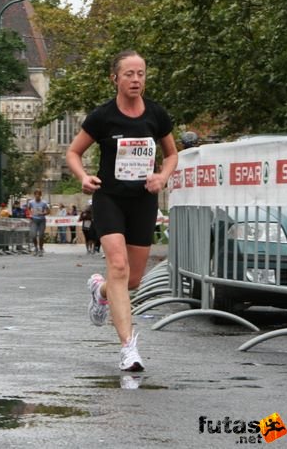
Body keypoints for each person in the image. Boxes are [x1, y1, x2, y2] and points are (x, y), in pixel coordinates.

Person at [66, 49, 177, 372]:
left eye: (141, 73)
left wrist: (162, 177)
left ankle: (99, 290)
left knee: (132, 279)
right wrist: (84, 177)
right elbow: (74, 152)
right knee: (118, 265)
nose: (136, 79)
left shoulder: (156, 114)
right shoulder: (103, 116)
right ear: (115, 78)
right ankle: (129, 348)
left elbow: (171, 155)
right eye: (129, 74)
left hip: (143, 200)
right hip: (109, 198)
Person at [27, 189, 49, 256]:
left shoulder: (44, 203)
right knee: (33, 235)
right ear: (34, 195)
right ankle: (36, 248)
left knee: (41, 235)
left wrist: (43, 213)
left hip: (42, 220)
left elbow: (48, 211)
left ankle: (41, 248)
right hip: (34, 220)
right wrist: (30, 214)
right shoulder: (31, 202)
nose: (37, 196)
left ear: (40, 195)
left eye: (38, 195)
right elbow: (28, 209)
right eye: (36, 194)